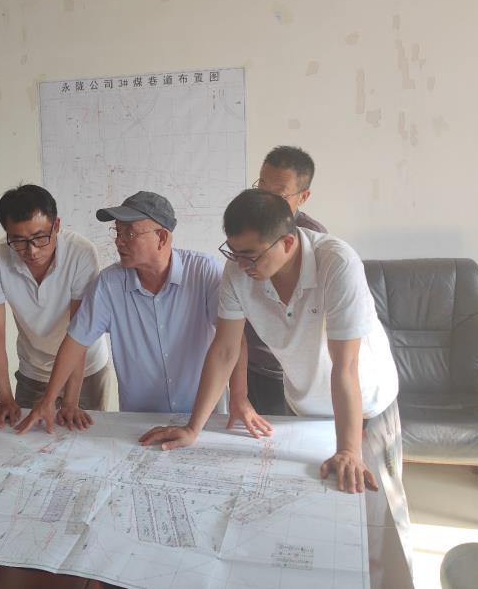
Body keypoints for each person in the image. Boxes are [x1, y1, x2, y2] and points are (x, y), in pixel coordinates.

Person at [139, 189, 410, 562]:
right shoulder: (239, 272)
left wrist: (349, 449)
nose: (241, 264)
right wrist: (193, 428)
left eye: (250, 254)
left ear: (287, 243)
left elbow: (345, 365)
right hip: (307, 409)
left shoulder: (337, 263)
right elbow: (225, 350)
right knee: (313, 521)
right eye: (233, 252)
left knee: (378, 520)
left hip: (366, 405)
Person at [15, 191, 226, 434]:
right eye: (117, 231)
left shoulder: (204, 272)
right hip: (138, 425)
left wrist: (241, 398)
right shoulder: (109, 284)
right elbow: (76, 341)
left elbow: (231, 343)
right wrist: (49, 400)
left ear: (161, 237)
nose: (119, 241)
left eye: (130, 233)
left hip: (204, 421)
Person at [0, 184, 111, 429]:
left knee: (84, 440)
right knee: (26, 441)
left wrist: (70, 401)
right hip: (34, 369)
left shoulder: (81, 253)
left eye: (40, 237)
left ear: (57, 225)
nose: (31, 251)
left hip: (85, 370)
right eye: (19, 241)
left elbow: (80, 331)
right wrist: (5, 399)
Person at [245, 146, 327, 416]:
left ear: (303, 196)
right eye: (261, 187)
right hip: (254, 364)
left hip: (293, 372)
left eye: (278, 194)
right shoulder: (246, 228)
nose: (265, 200)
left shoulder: (315, 241)